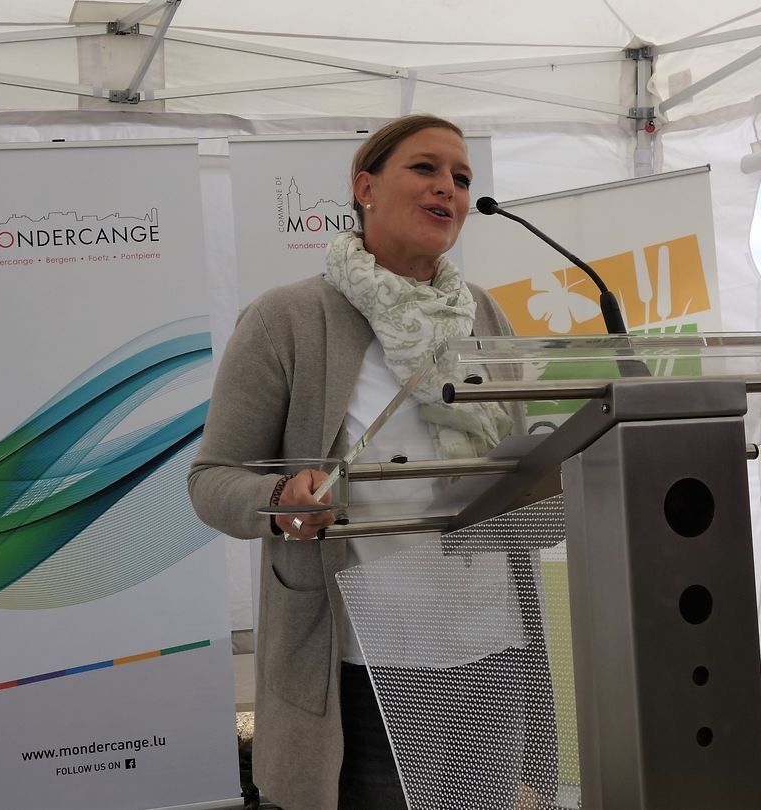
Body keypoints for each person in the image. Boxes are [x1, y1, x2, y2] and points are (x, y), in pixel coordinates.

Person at [188, 115, 536, 809]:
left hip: (491, 647)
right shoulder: (288, 318)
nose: (448, 188)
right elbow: (212, 479)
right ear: (365, 188)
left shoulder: (483, 315)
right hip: (364, 663)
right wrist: (281, 502)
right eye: (425, 168)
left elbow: (525, 459)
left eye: (462, 178)